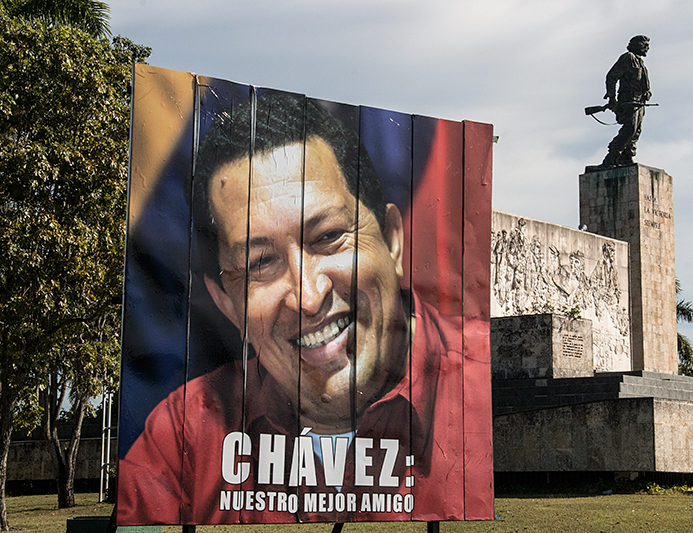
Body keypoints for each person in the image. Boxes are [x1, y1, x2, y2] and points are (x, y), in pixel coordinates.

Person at [117, 93, 473, 524]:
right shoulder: (180, 440)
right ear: (227, 305)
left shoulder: (478, 391)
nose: (308, 296)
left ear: (393, 240)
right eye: (261, 263)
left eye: (328, 236)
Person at [599, 35, 651, 168]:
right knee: (630, 128)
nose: (647, 48)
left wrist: (647, 92)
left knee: (636, 130)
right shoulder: (628, 58)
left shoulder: (640, 62)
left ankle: (627, 156)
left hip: (640, 101)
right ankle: (612, 156)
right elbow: (612, 76)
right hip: (629, 100)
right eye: (644, 45)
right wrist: (611, 97)